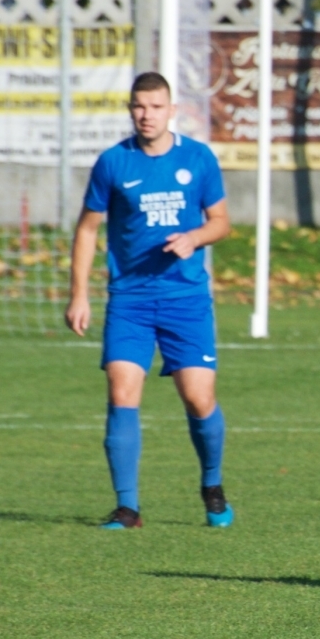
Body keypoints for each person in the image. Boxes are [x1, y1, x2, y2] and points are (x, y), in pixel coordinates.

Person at [65, 72, 233, 530]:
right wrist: (78, 293)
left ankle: (212, 485)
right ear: (130, 109)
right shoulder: (113, 163)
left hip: (185, 298)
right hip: (130, 299)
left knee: (199, 399)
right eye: (139, 106)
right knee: (122, 392)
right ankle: (127, 508)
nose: (146, 115)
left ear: (171, 110)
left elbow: (221, 222)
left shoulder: (197, 159)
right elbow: (87, 229)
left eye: (156, 106)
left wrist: (194, 237)